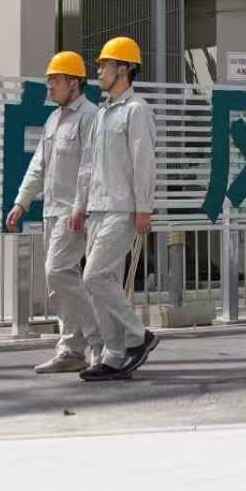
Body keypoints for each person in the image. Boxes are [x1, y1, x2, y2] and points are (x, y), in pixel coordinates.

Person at [6, 51, 101, 374]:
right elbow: (38, 166)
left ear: (74, 82)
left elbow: (91, 167)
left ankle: (99, 340)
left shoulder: (91, 117)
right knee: (58, 281)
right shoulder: (53, 120)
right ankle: (72, 350)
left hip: (74, 212)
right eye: (48, 81)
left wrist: (81, 206)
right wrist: (22, 202)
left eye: (55, 80)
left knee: (58, 272)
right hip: (52, 211)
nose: (49, 87)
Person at [74, 35, 160, 381]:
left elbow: (143, 161)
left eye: (104, 65)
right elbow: (87, 165)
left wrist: (144, 207)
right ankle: (113, 354)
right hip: (98, 208)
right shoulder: (102, 114)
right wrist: (80, 206)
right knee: (99, 281)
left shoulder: (137, 110)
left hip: (123, 209)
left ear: (123, 69)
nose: (98, 71)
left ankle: (139, 336)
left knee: (94, 276)